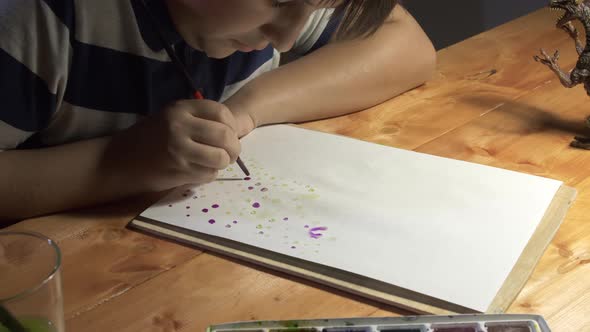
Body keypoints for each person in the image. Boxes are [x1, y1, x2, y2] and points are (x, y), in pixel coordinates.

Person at [0, 0, 436, 221]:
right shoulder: (41, 18)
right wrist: (119, 163)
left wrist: (246, 109)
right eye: (280, 2)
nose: (286, 38)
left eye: (320, 7)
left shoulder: (265, 18)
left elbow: (408, 47)